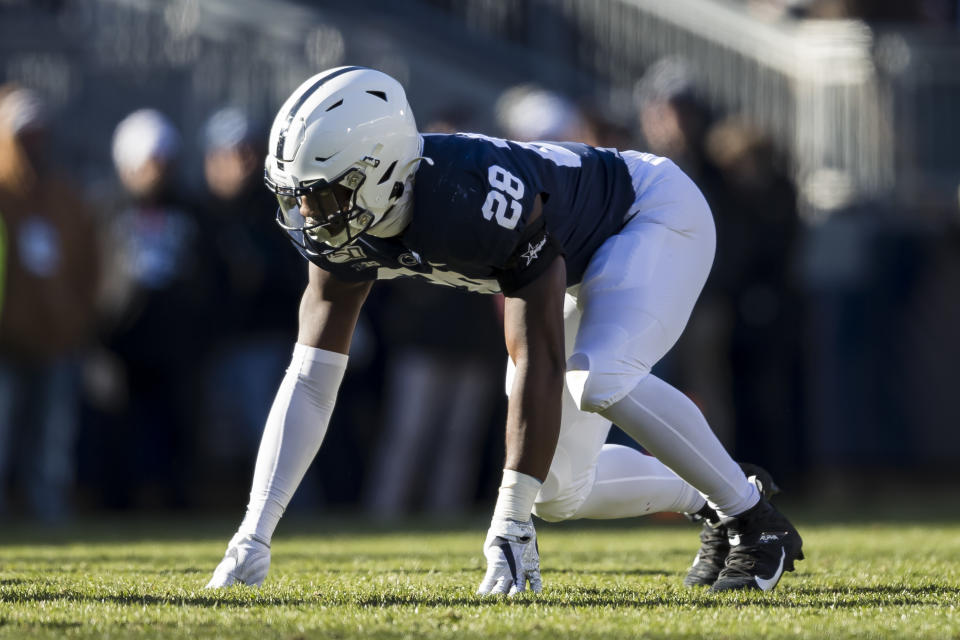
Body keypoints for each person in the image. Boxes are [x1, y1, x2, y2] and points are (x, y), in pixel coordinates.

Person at [207, 66, 803, 594]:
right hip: (580, 266)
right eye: (298, 196)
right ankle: (716, 494)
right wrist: (253, 535)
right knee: (558, 491)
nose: (309, 215)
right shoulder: (349, 227)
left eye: (324, 195)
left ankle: (753, 519)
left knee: (596, 380)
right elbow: (310, 380)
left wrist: (509, 525)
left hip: (650, 213)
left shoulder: (467, 198)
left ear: (383, 171)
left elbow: (539, 359)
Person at [0, 86, 101, 521]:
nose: (33, 143)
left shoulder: (66, 197)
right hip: (5, 341)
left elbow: (90, 266)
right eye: (23, 134)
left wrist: (77, 320)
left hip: (58, 339)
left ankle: (48, 510)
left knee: (52, 438)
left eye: (38, 133)